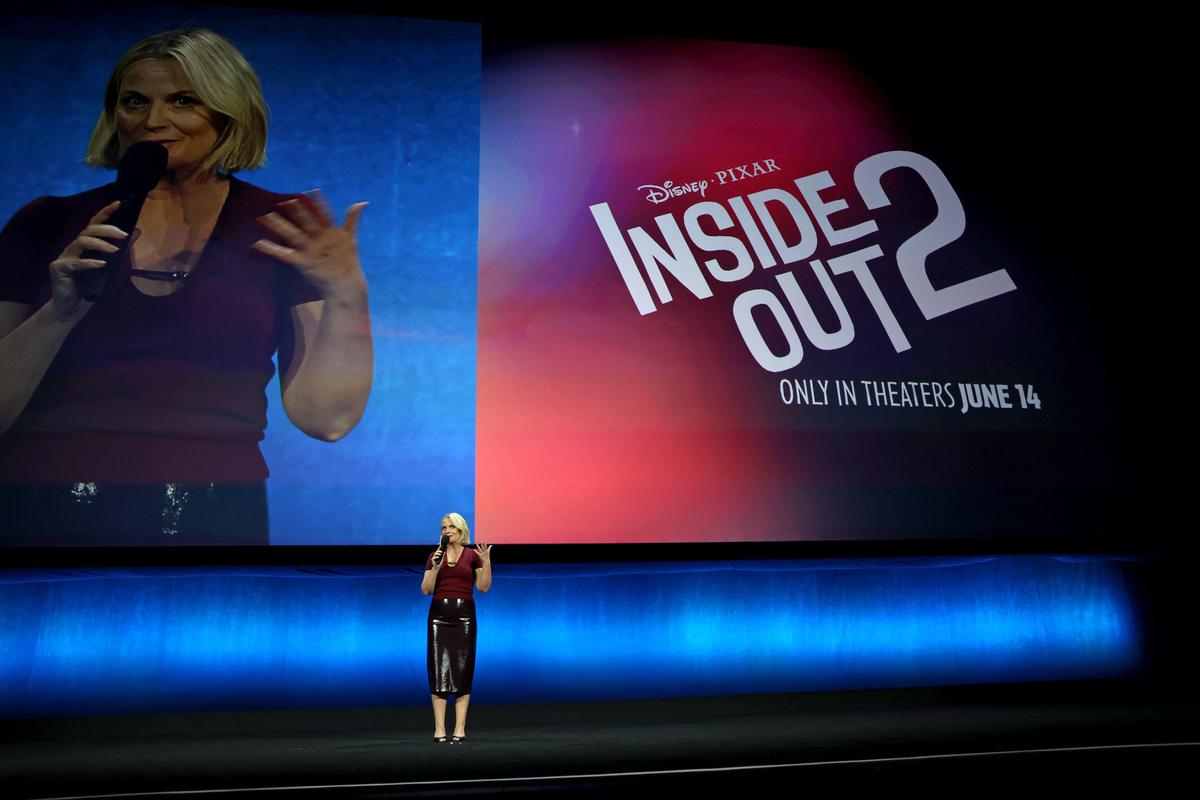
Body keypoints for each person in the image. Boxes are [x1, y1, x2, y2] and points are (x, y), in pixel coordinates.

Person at [0, 28, 373, 545]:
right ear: (114, 114)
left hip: (213, 511)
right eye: (134, 101)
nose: (153, 120)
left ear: (229, 112)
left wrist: (348, 290)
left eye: (182, 100)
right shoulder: (47, 223)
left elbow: (324, 418)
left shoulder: (284, 227)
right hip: (45, 506)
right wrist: (58, 313)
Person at [422, 512, 492, 743]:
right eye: (443, 527)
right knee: (438, 670)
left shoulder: (472, 556)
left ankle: (459, 728)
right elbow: (426, 589)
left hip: (464, 616)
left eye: (451, 526)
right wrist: (434, 567)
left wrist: (487, 561)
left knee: (462, 670)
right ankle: (439, 729)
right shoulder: (435, 555)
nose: (447, 530)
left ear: (461, 530)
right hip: (439, 616)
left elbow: (483, 588)